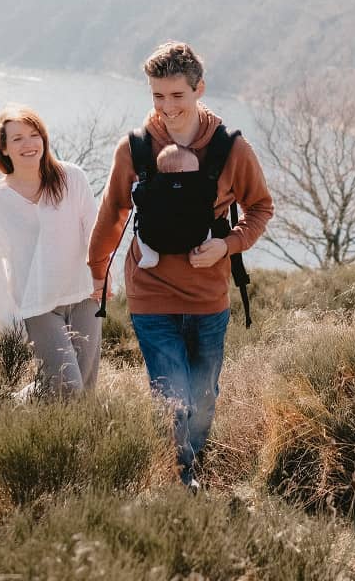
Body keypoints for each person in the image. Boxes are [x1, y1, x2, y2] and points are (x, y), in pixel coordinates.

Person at [88, 41, 274, 489]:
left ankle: (193, 459)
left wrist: (227, 245)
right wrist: (97, 274)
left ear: (199, 89)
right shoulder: (134, 148)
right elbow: (113, 212)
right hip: (150, 292)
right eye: (157, 96)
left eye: (177, 95)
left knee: (204, 397)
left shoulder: (231, 149)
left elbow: (260, 208)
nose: (167, 108)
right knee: (172, 395)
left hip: (208, 296)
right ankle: (180, 476)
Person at [0, 105, 101, 396]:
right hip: (37, 306)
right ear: (4, 148)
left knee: (84, 389)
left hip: (86, 295)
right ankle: (19, 403)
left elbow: (96, 233)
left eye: (35, 135)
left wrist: (101, 277)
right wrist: (9, 325)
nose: (29, 144)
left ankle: (75, 440)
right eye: (18, 138)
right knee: (66, 385)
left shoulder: (72, 178)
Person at [135, 143, 210, 269]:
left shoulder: (154, 186)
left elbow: (138, 198)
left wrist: (136, 186)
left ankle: (150, 255)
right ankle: (199, 250)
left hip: (155, 237)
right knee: (207, 223)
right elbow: (210, 199)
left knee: (139, 226)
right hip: (194, 235)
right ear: (180, 173)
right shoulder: (196, 188)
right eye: (194, 171)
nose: (197, 175)